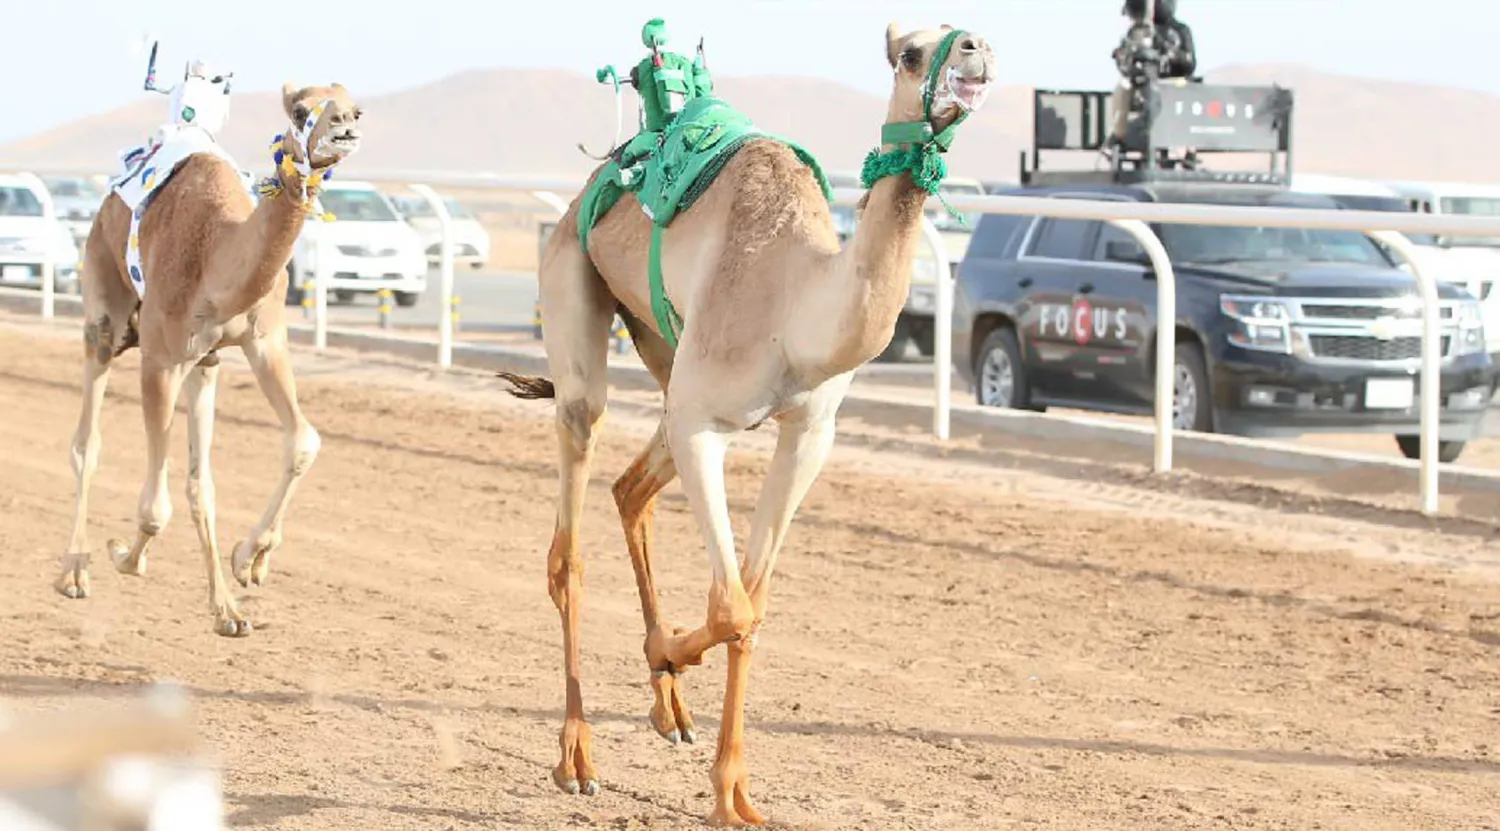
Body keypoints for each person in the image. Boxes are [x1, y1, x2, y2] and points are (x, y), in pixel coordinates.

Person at [1108, 0, 1197, 148]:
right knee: (1122, 86)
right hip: (1143, 81)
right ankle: (1119, 135)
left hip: (1174, 81)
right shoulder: (1137, 31)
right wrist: (1122, 58)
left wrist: (1170, 51)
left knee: (1181, 90)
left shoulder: (1181, 30)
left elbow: (1190, 64)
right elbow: (1126, 62)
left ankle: (1186, 146)